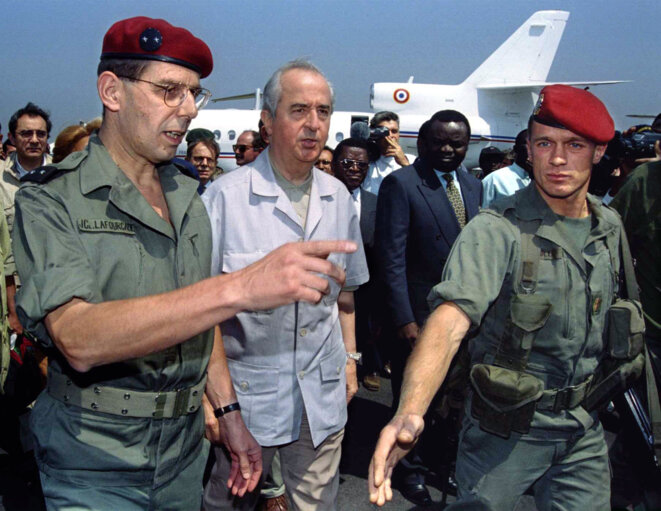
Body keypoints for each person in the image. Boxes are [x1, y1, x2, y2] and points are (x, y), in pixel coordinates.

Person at [12, 18, 356, 511]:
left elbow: (200, 323)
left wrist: (231, 416)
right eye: (170, 91)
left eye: (195, 93)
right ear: (111, 91)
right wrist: (238, 288)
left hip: (182, 454)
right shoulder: (51, 199)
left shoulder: (187, 196)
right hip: (93, 457)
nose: (190, 109)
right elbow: (78, 338)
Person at [369, 84, 625, 510]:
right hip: (505, 431)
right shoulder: (496, 228)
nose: (557, 159)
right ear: (528, 147)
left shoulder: (609, 228)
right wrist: (410, 411)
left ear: (598, 152)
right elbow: (451, 319)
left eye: (574, 145)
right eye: (545, 143)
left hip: (582, 429)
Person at [203, 59, 369, 511]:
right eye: (298, 110)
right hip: (248, 398)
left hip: (322, 391)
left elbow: (346, 294)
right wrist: (212, 400)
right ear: (267, 121)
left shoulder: (339, 198)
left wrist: (351, 362)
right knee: (230, 500)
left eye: (323, 111)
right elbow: (200, 313)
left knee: (317, 504)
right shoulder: (224, 198)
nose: (313, 124)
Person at [374, 109, 482, 506]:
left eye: (458, 143)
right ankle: (410, 470)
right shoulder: (401, 185)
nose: (449, 149)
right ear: (422, 142)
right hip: (417, 315)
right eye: (440, 141)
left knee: (452, 400)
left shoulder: (472, 186)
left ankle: (441, 463)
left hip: (461, 318)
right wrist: (403, 318)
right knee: (412, 396)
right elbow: (392, 258)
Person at [331, 138, 381, 391]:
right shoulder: (323, 199)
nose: (354, 169)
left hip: (366, 283)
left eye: (362, 165)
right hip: (330, 282)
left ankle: (365, 367)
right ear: (334, 164)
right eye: (348, 163)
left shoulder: (376, 202)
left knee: (364, 329)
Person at [0, 102, 52, 235]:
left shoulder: (63, 174)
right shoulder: (2, 177)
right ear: (11, 138)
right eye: (26, 134)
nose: (34, 140)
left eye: (41, 134)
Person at [361, 111, 415, 195]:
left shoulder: (412, 161)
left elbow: (420, 191)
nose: (390, 136)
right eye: (384, 131)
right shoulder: (367, 162)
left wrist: (405, 164)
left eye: (394, 131)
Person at [481, 129, 532, 207]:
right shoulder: (495, 179)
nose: (532, 152)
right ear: (516, 149)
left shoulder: (544, 181)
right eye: (528, 147)